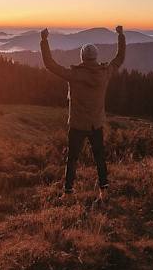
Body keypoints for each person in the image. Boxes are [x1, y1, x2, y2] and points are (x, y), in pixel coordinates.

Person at [40, 25, 126, 197]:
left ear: (82, 57)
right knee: (99, 158)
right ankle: (104, 189)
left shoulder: (74, 75)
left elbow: (50, 64)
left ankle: (68, 191)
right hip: (96, 124)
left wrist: (44, 41)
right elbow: (119, 58)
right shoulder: (105, 73)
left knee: (72, 159)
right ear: (95, 57)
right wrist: (121, 36)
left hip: (78, 124)